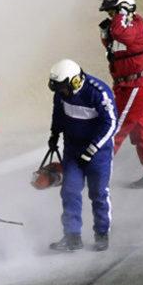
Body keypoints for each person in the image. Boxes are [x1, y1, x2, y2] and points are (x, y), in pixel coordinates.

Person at [47, 59, 117, 252]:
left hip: (98, 153)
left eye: (63, 88)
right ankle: (72, 237)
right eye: (58, 89)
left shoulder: (99, 92)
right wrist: (54, 134)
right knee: (69, 191)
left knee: (98, 193)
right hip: (72, 149)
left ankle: (102, 234)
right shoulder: (61, 94)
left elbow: (111, 123)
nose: (61, 93)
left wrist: (93, 149)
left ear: (75, 82)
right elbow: (58, 114)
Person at [99, 0, 143, 188]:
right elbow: (112, 43)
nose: (112, 17)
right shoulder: (126, 25)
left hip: (133, 87)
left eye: (113, 12)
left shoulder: (133, 26)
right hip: (131, 85)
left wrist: (121, 14)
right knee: (140, 132)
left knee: (113, 130)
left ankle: (94, 175)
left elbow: (120, 34)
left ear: (124, 9)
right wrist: (110, 27)